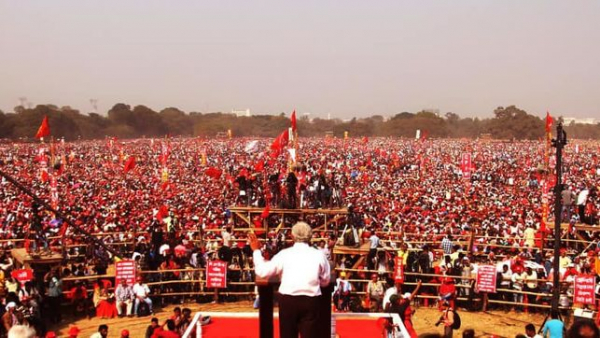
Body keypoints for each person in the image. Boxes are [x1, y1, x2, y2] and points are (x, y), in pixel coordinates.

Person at [250, 221, 331, 338]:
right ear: (310, 236)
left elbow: (262, 271)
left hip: (288, 301)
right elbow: (325, 281)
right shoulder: (319, 255)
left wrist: (256, 251)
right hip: (311, 300)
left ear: (292, 236)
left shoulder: (284, 254)